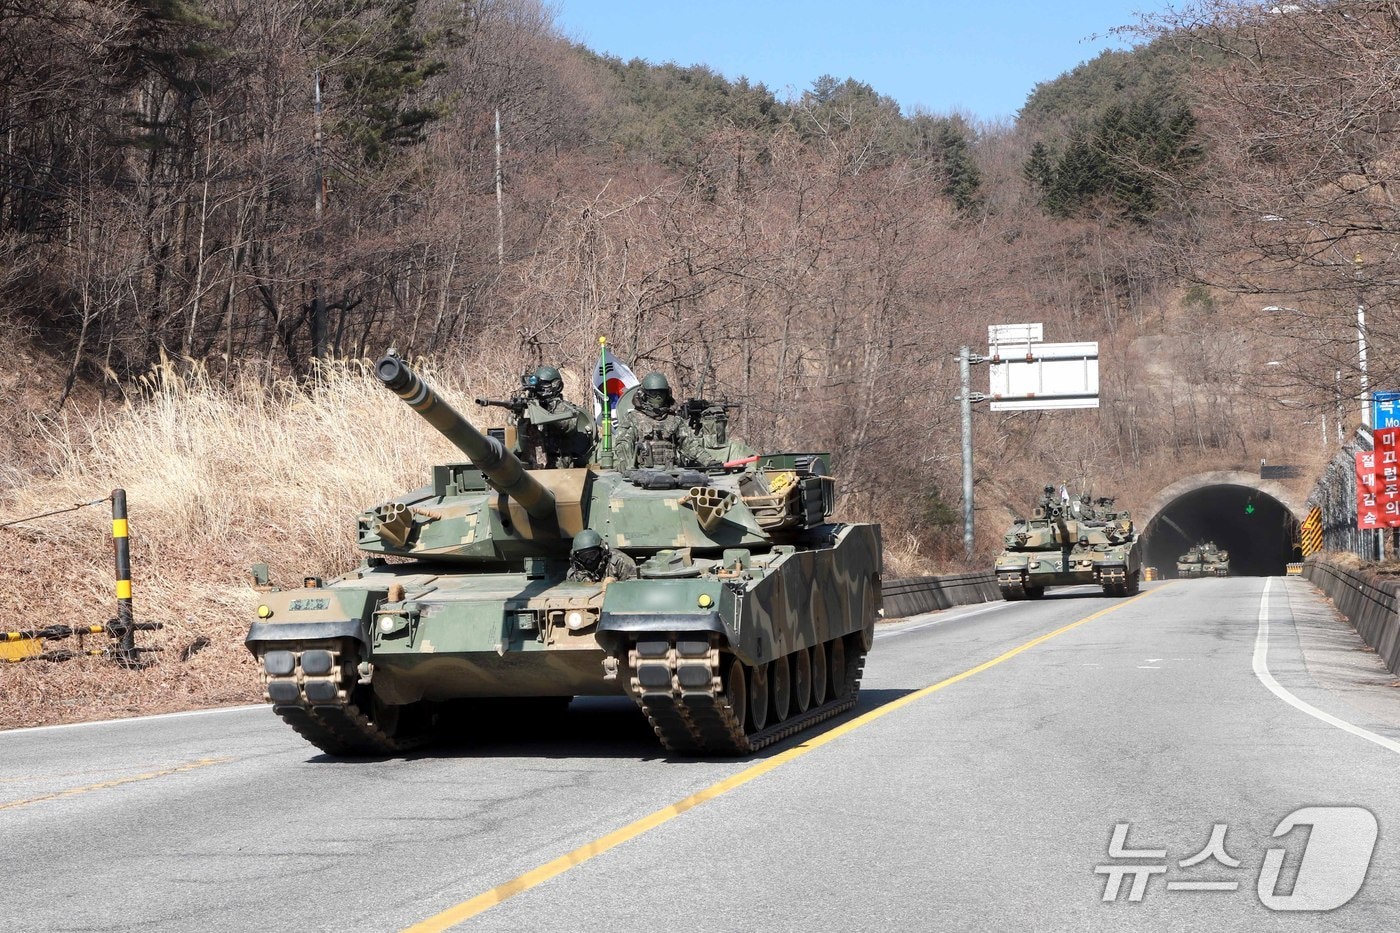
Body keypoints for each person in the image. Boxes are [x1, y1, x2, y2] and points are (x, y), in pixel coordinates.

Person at [613, 372, 719, 471]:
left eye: (661, 393)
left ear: (667, 394)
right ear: (643, 395)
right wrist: (627, 467)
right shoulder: (633, 419)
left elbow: (690, 444)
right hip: (641, 473)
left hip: (671, 472)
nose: (658, 397)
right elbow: (623, 445)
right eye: (654, 393)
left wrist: (708, 461)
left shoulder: (675, 419)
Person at [528, 365, 594, 468]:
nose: (540, 387)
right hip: (532, 464)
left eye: (545, 384)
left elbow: (568, 427)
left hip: (559, 464)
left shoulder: (566, 409)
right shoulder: (530, 406)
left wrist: (544, 411)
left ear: (556, 385)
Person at [566, 529, 638, 583]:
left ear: (602, 551)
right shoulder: (574, 572)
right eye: (583, 556)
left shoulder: (620, 562)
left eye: (592, 554)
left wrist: (616, 585)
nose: (589, 560)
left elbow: (635, 588)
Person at [699, 405, 758, 471]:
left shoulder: (736, 448)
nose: (715, 427)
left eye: (719, 423)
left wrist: (749, 470)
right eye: (709, 422)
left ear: (724, 424)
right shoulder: (696, 447)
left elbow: (757, 461)